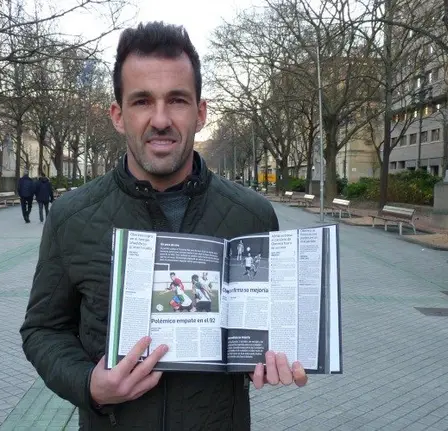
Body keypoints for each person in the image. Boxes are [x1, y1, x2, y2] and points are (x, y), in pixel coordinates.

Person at [20, 21, 307, 431]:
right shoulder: (72, 217)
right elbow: (43, 330)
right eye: (141, 101)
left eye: (176, 100)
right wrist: (90, 385)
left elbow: (262, 330)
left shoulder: (253, 215)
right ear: (118, 115)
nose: (160, 119)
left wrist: (271, 356)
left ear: (200, 112)